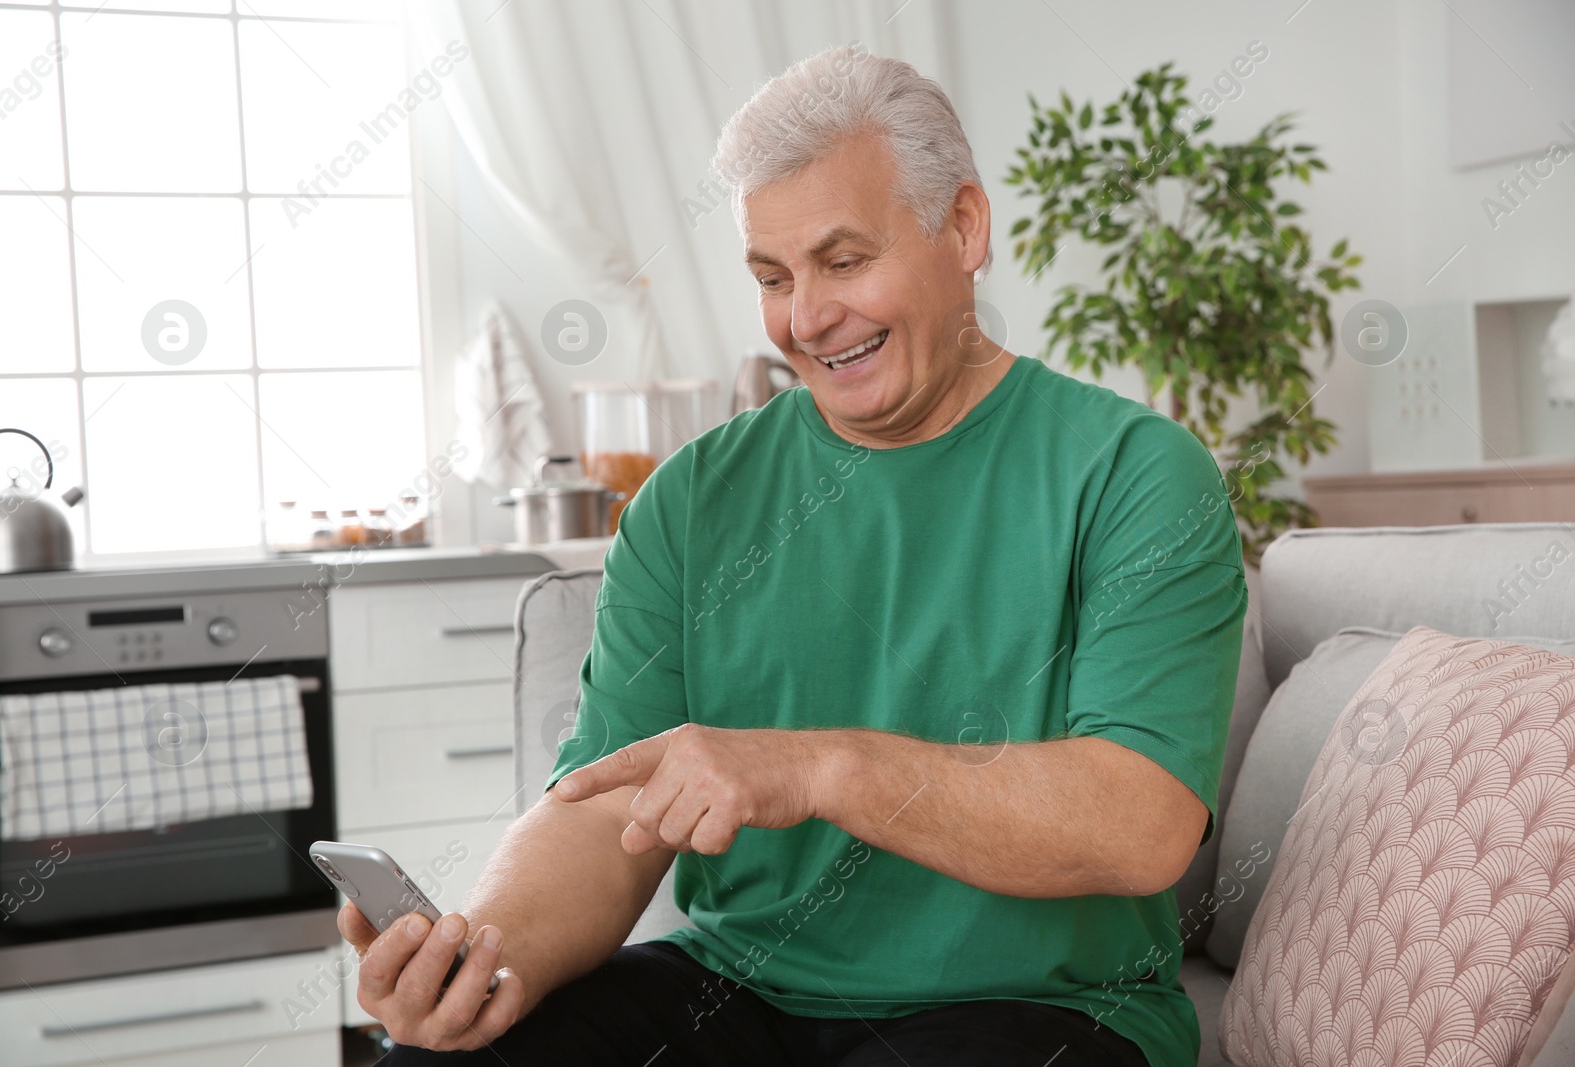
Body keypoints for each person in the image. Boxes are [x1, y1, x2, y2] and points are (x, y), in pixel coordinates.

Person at [344, 43, 1246, 1067]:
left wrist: (817, 766)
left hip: (1042, 1010)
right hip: (735, 990)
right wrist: (482, 966)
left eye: (843, 260)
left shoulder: (1136, 475)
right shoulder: (687, 502)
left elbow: (1139, 824)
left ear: (962, 227)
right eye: (772, 277)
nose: (806, 318)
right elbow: (600, 813)